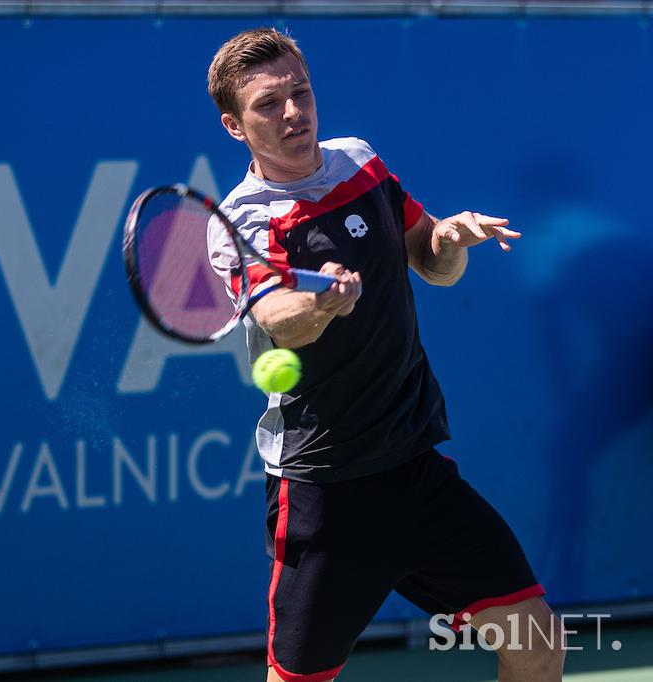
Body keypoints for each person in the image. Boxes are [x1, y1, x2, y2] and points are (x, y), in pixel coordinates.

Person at [206, 28, 565, 682]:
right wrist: (320, 306)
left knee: (538, 647)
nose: (293, 112)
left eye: (301, 92)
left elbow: (431, 261)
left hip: (416, 471)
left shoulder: (359, 163)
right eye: (268, 104)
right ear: (235, 125)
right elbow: (278, 324)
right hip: (325, 491)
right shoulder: (243, 222)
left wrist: (451, 237)